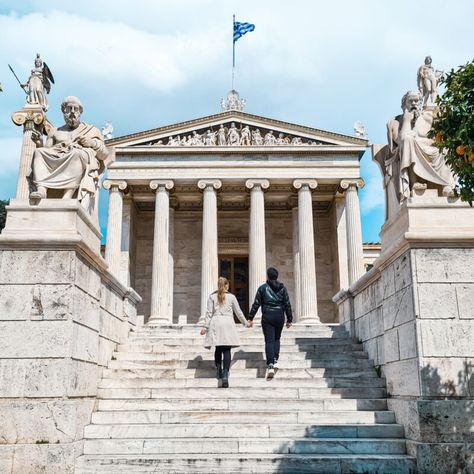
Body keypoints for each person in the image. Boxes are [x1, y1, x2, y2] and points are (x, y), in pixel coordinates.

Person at [29, 96, 108, 214]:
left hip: (76, 157)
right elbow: (47, 151)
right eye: (68, 109)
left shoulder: (91, 130)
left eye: (75, 109)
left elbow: (104, 154)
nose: (72, 112)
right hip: (58, 156)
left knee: (77, 153)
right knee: (38, 152)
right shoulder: (55, 131)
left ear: (80, 112)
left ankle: (68, 195)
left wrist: (91, 143)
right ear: (63, 112)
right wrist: (39, 142)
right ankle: (42, 189)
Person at [200, 277, 250, 388]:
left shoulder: (212, 297)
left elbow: (209, 313)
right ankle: (226, 374)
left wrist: (205, 327)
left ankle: (219, 369)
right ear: (227, 285)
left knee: (218, 348)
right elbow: (238, 312)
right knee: (226, 349)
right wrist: (246, 323)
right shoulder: (232, 297)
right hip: (227, 323)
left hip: (216, 322)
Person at [248, 267, 293, 379]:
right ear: (276, 276)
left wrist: (250, 317)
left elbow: (256, 304)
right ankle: (275, 359)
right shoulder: (283, 288)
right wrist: (289, 319)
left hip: (267, 316)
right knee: (277, 338)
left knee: (269, 340)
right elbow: (287, 304)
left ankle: (270, 364)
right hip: (279, 316)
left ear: (268, 276)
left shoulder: (263, 288)